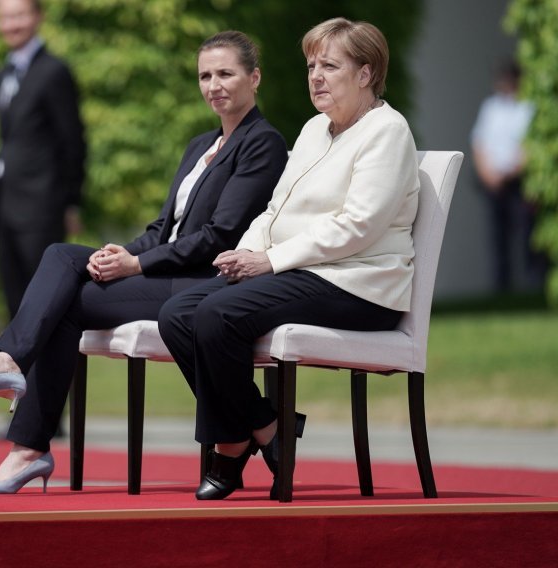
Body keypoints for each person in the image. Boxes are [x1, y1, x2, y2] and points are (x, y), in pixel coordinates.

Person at [0, 30, 288, 493]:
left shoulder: (262, 143)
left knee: (63, 301)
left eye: (226, 73)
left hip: (203, 282)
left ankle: (24, 438)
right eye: (205, 75)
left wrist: (136, 267)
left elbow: (216, 237)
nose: (214, 85)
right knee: (62, 257)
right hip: (166, 269)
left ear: (254, 77)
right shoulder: (199, 145)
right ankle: (14, 394)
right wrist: (123, 253)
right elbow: (162, 228)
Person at [158, 17, 420, 500]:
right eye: (311, 65)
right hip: (303, 270)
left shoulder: (388, 131)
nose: (315, 76)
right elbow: (276, 209)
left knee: (217, 314)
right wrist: (246, 252)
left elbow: (358, 226)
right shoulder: (315, 128)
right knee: (177, 314)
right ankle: (261, 428)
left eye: (330, 65)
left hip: (358, 284)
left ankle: (232, 450)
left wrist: (271, 260)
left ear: (365, 73)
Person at [0, 0, 86, 318]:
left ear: (37, 17)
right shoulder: (5, 70)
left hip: (41, 205)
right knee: (13, 298)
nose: (11, 24)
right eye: (4, 17)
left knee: (41, 301)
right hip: (6, 204)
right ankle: (13, 368)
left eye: (18, 15)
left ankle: (47, 370)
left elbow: (72, 140)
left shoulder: (53, 71)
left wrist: (70, 200)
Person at [470, 60, 543, 292]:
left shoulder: (528, 106)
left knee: (527, 235)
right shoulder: (490, 107)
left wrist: (510, 171)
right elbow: (479, 143)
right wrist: (487, 173)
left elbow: (530, 145)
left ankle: (533, 285)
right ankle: (501, 287)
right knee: (497, 237)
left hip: (519, 182)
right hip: (494, 184)